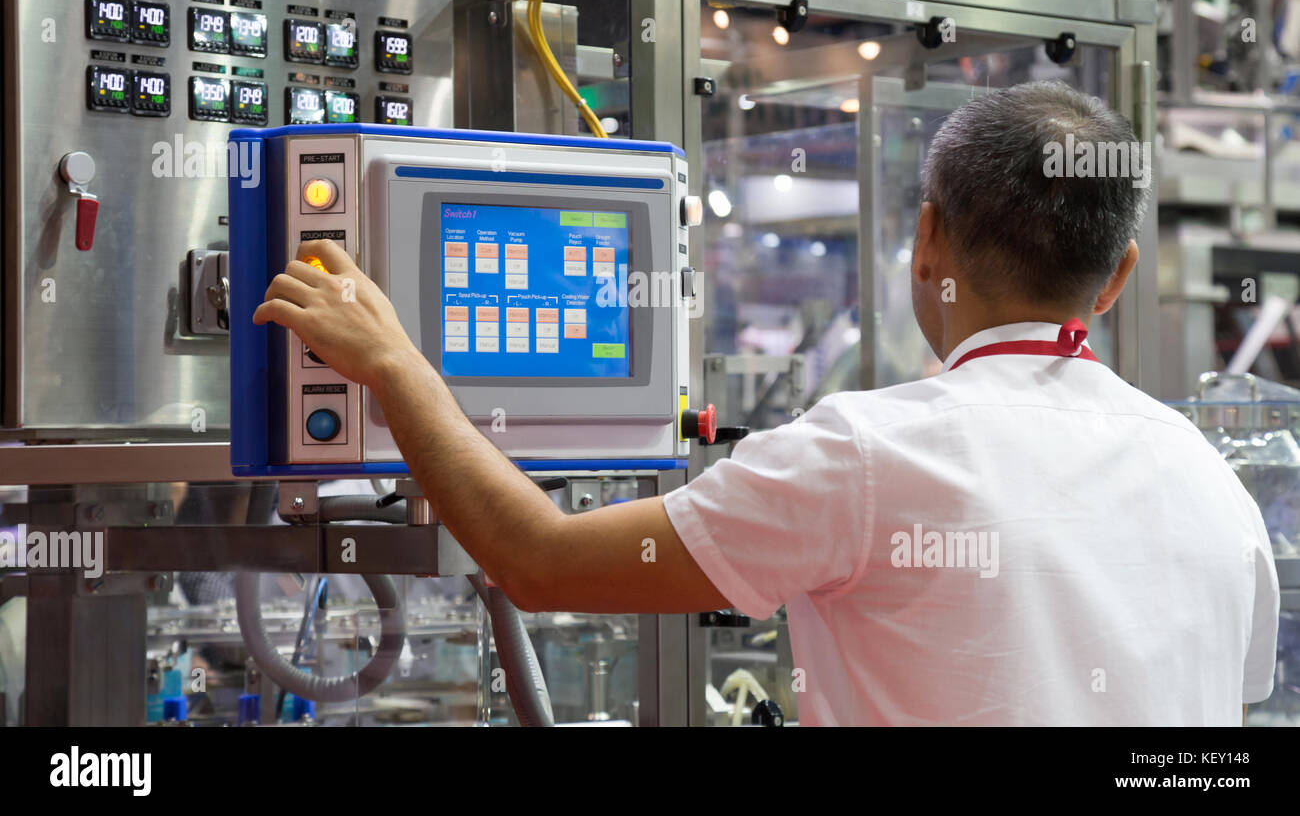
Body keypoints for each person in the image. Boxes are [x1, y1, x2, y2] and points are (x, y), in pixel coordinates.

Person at [254, 80, 1279, 725]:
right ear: (1116, 277)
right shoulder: (1206, 473)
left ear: (926, 240)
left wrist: (394, 361)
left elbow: (537, 560)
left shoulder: (869, 453)